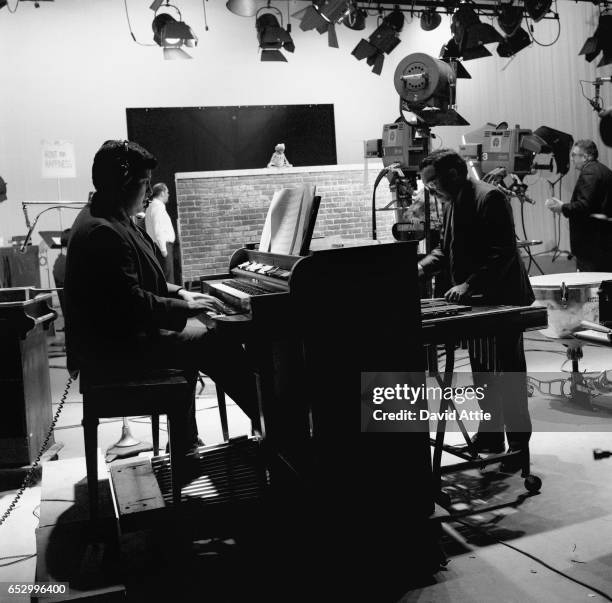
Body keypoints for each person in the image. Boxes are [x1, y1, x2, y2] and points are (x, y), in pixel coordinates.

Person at [64, 140, 258, 451]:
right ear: (124, 182)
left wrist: (182, 293)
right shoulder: (103, 230)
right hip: (114, 351)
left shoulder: (109, 216)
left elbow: (140, 282)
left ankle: (184, 441)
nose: (147, 191)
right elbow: (131, 302)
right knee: (214, 341)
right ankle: (276, 426)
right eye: (144, 183)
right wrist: (187, 309)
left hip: (116, 339)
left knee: (199, 340)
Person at [417, 149, 534, 465]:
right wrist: (420, 267)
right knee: (484, 374)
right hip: (477, 304)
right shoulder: (454, 201)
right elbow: (446, 248)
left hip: (502, 300)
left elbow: (502, 252)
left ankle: (519, 446)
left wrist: (468, 284)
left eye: (432, 183)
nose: (430, 190)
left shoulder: (489, 197)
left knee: (508, 375)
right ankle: (492, 436)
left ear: (452, 175)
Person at [545, 139, 612, 271]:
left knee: (591, 286)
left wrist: (562, 207)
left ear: (586, 156)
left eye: (574, 155)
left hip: (591, 244)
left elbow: (584, 206)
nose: (572, 158)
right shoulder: (604, 170)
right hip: (603, 241)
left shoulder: (589, 173)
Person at [145, 182, 176, 283]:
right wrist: (163, 250)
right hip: (163, 246)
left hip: (158, 246)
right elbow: (158, 229)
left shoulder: (152, 205)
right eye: (167, 192)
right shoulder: (158, 206)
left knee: (164, 277)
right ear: (162, 193)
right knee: (167, 278)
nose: (168, 194)